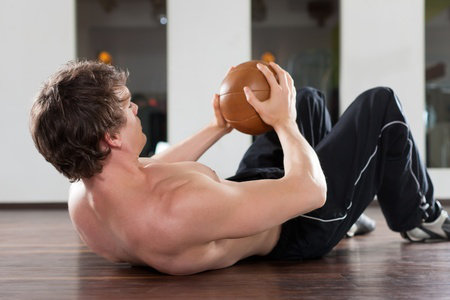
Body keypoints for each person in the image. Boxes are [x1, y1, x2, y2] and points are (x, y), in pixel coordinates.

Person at [30, 60, 449, 275]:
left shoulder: (87, 195)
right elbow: (310, 191)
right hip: (304, 219)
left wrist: (220, 127)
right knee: (380, 105)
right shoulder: (179, 209)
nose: (136, 107)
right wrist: (282, 123)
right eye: (126, 106)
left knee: (306, 100)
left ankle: (352, 213)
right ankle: (420, 217)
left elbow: (154, 167)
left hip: (245, 196)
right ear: (112, 138)